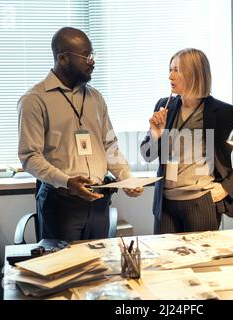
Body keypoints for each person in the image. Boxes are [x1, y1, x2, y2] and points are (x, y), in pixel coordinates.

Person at [18, 27, 143, 242]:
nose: (92, 61)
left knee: (99, 268)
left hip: (99, 201)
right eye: (86, 56)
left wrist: (126, 178)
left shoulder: (96, 98)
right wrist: (67, 182)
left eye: (92, 55)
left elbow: (110, 146)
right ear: (63, 58)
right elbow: (30, 158)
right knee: (65, 272)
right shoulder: (34, 100)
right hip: (61, 204)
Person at [140, 48, 233, 234]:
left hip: (201, 201)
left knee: (200, 261)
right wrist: (155, 134)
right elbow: (147, 156)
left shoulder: (222, 112)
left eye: (176, 70)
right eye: (170, 69)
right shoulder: (164, 106)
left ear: (194, 74)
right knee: (165, 261)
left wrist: (227, 188)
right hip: (165, 203)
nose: (170, 75)